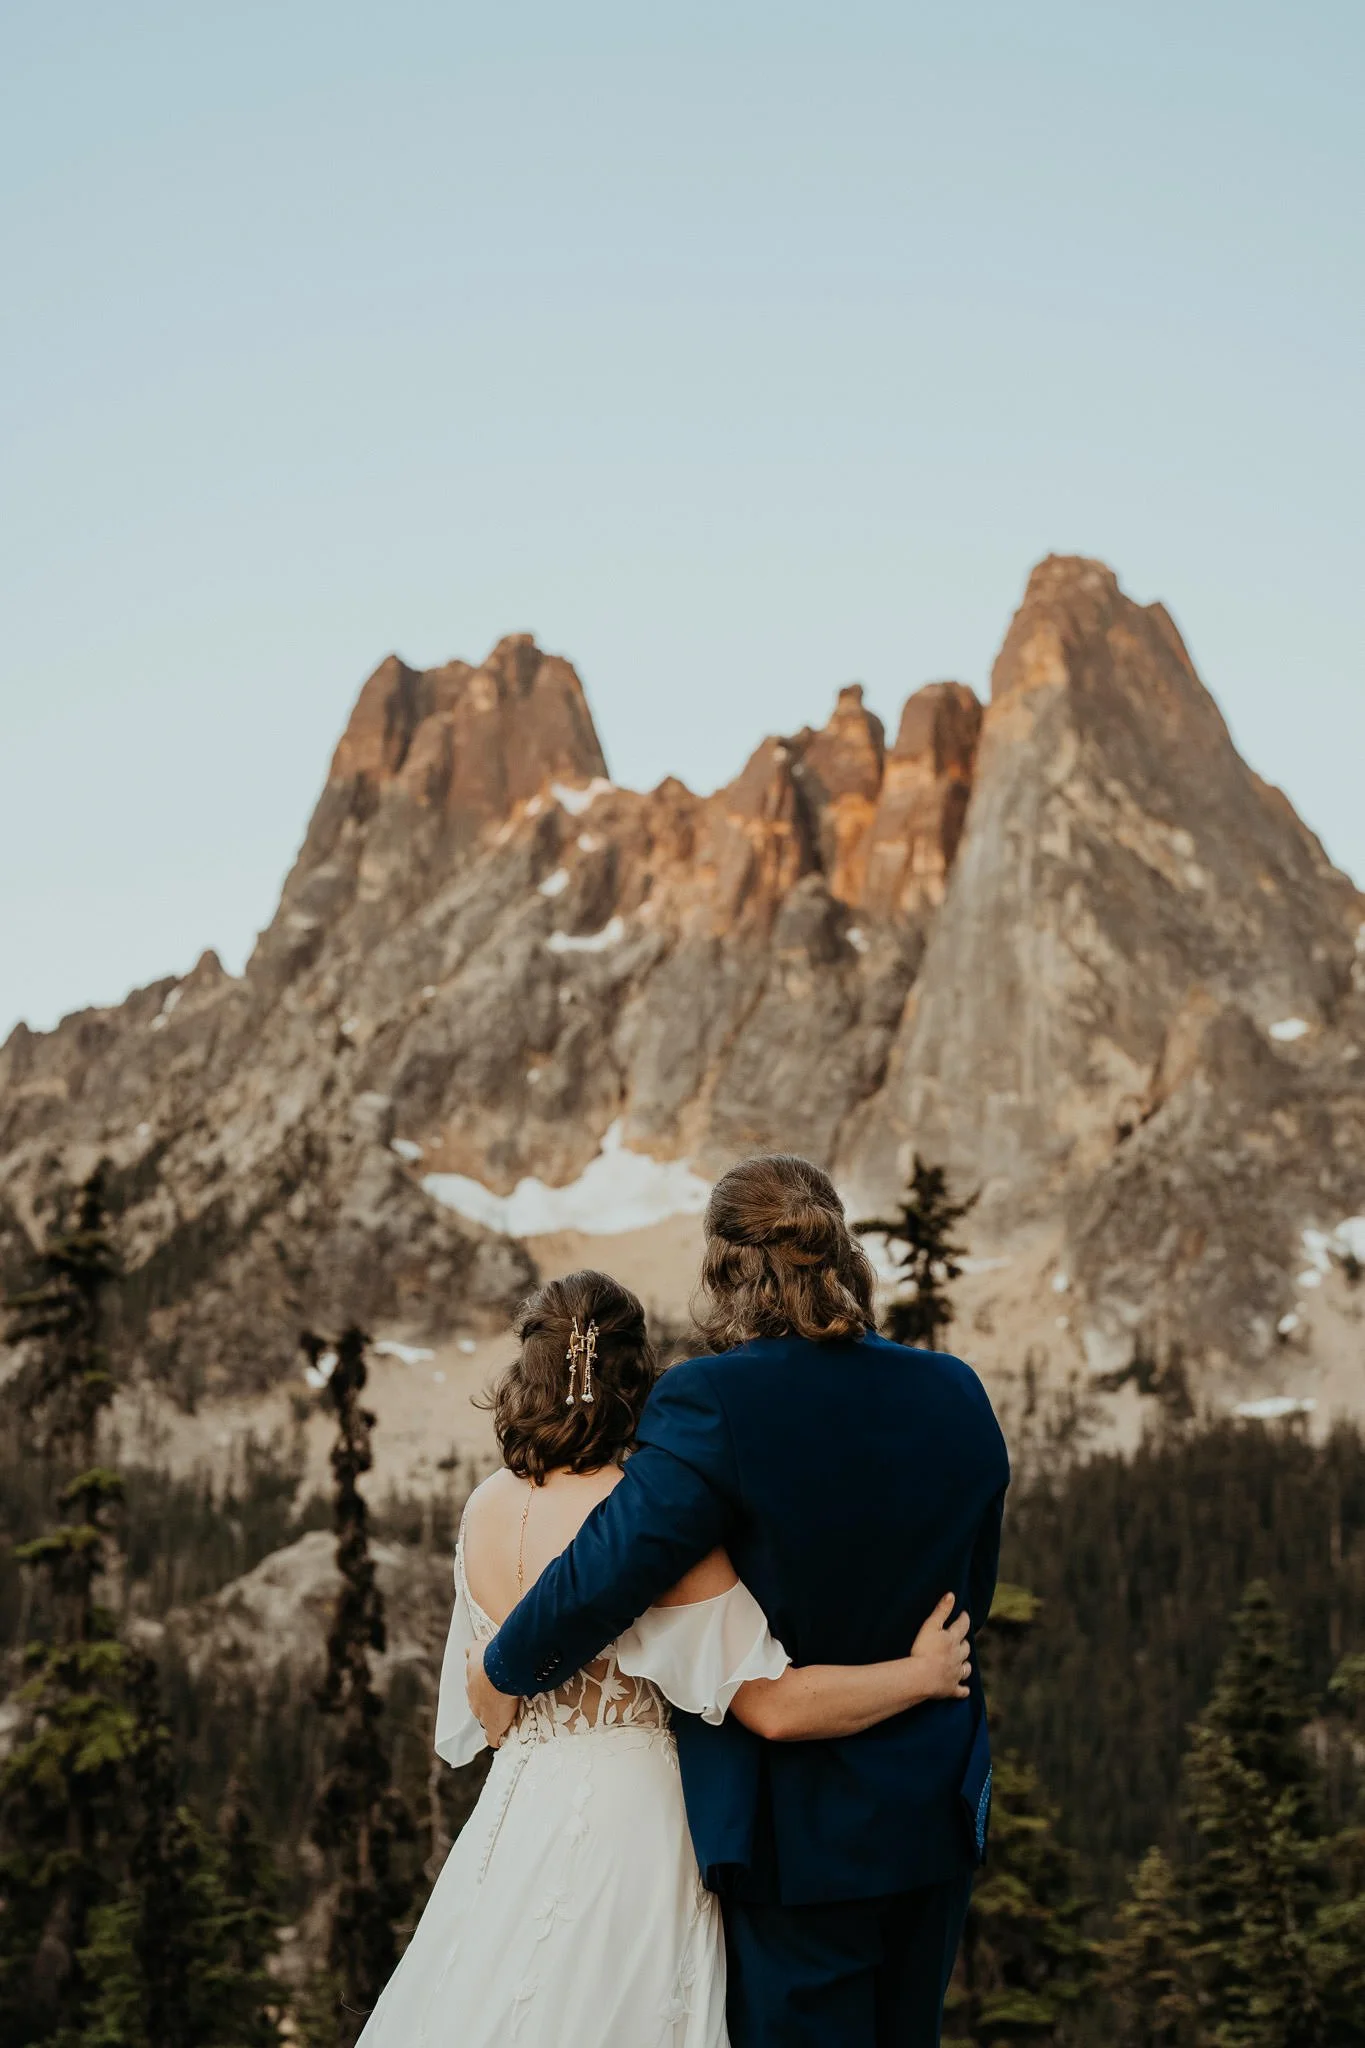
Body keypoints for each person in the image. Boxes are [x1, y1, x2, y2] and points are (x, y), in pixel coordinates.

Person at [356, 1264, 976, 2048]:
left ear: (527, 1371)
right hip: (638, 1834)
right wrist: (921, 1674)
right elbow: (774, 1707)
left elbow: (486, 1714)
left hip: (517, 1825)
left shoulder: (485, 1507)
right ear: (634, 1377)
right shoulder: (650, 1525)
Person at [469, 1154, 1010, 2048]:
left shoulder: (712, 1401)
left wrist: (506, 1665)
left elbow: (608, 1565)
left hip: (797, 1838)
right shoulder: (954, 1389)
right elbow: (971, 1591)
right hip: (930, 1815)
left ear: (725, 1271)